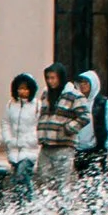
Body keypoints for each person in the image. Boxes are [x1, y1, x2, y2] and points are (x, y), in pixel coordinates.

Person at [36, 63, 84, 192]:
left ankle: (64, 209)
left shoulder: (74, 95)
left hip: (63, 145)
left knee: (62, 181)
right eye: (48, 78)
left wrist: (68, 128)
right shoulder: (46, 94)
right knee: (43, 179)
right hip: (46, 144)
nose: (50, 81)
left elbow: (84, 116)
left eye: (53, 78)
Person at [2, 72, 42, 195]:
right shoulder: (10, 104)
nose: (23, 91)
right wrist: (9, 139)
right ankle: (24, 201)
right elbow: (6, 123)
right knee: (18, 178)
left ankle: (26, 201)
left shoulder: (37, 105)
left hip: (30, 148)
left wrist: (32, 140)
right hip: (14, 148)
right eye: (20, 88)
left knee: (22, 174)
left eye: (25, 89)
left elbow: (39, 125)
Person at [74, 69, 108, 173]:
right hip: (78, 150)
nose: (83, 85)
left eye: (86, 83)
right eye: (81, 82)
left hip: (97, 149)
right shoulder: (77, 102)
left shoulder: (103, 103)